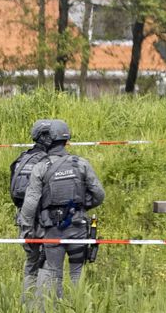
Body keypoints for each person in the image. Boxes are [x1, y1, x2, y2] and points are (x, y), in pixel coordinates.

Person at [19, 120, 105, 303]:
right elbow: (99, 194)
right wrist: (81, 207)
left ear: (48, 141)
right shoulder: (80, 164)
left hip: (52, 231)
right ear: (66, 141)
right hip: (78, 228)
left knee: (54, 275)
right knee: (76, 273)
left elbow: (30, 204)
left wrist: (26, 230)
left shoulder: (40, 168)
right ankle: (77, 312)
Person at [9, 120, 54, 298]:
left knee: (31, 263)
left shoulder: (21, 159)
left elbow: (13, 192)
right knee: (47, 262)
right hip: (43, 220)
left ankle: (27, 304)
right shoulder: (48, 162)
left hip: (23, 219)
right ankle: (42, 308)